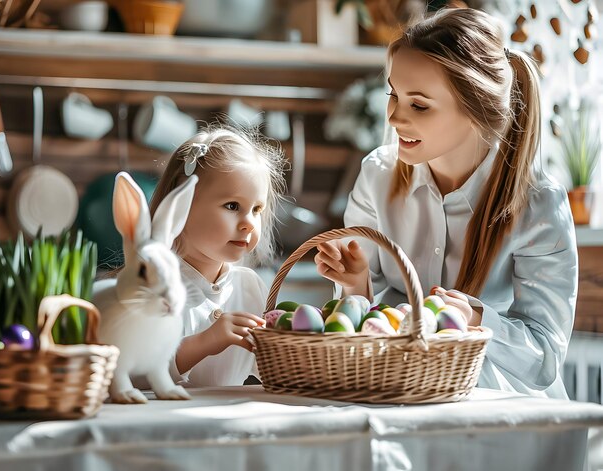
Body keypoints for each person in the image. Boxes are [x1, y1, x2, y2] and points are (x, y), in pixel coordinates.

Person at [314, 8, 577, 399]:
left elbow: (544, 358)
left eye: (418, 105)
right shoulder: (377, 175)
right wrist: (356, 286)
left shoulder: (539, 205)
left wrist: (476, 319)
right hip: (400, 391)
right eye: (393, 94)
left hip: (502, 410)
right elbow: (369, 325)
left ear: (476, 109)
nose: (394, 117)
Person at [148, 123, 287, 387]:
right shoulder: (153, 286)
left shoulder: (249, 287)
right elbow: (130, 376)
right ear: (181, 205)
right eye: (232, 206)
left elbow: (275, 372)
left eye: (257, 209)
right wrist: (204, 342)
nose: (249, 223)